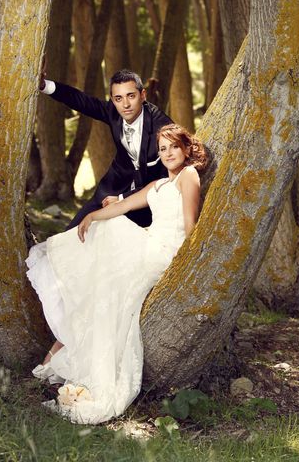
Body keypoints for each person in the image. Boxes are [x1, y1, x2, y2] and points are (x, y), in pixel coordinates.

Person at [27, 124, 207, 424]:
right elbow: (123, 206)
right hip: (150, 245)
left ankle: (68, 358)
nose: (168, 153)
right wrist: (92, 216)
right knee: (102, 280)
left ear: (186, 149)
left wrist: (190, 266)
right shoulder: (159, 186)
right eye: (162, 149)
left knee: (109, 256)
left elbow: (190, 227)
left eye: (173, 146)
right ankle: (66, 354)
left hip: (165, 252)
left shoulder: (189, 176)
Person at [39, 69, 172, 228]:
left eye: (131, 96)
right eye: (118, 98)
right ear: (113, 100)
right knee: (72, 233)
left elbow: (166, 179)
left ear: (143, 95)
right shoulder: (113, 112)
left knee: (111, 241)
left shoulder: (163, 128)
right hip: (112, 187)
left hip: (145, 201)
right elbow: (82, 101)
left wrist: (123, 199)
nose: (126, 104)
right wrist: (43, 85)